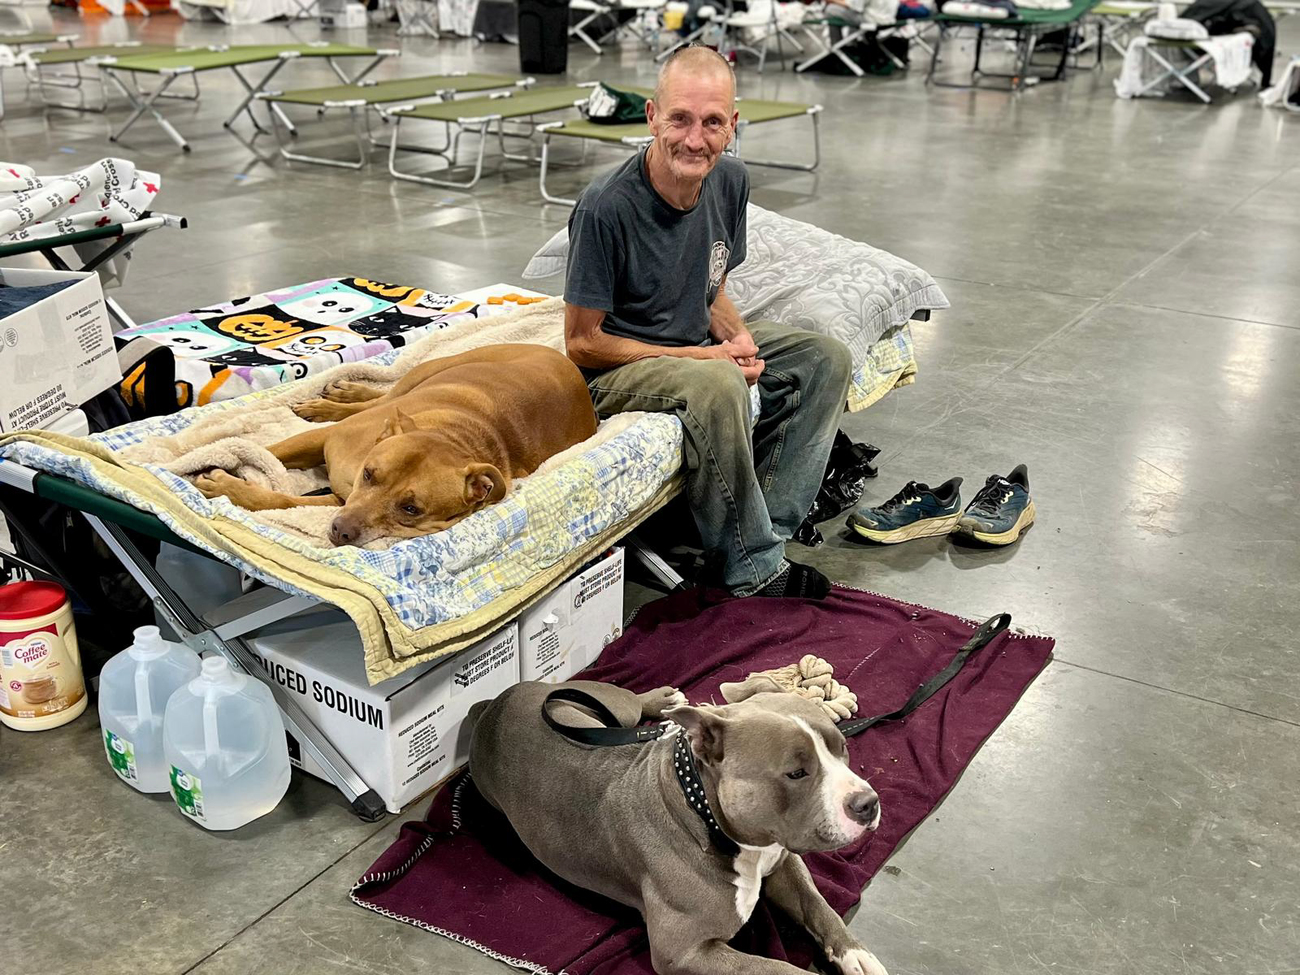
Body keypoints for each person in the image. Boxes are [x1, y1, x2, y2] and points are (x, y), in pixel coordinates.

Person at [563, 45, 853, 600]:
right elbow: (581, 344)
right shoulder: (606, 207)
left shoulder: (730, 181)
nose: (695, 140)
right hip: (620, 368)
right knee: (718, 383)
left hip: (692, 344)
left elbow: (711, 284)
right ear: (651, 116)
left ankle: (769, 531)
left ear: (733, 126)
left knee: (825, 359)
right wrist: (706, 359)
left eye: (713, 122)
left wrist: (736, 334)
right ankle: (750, 568)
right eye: (680, 119)